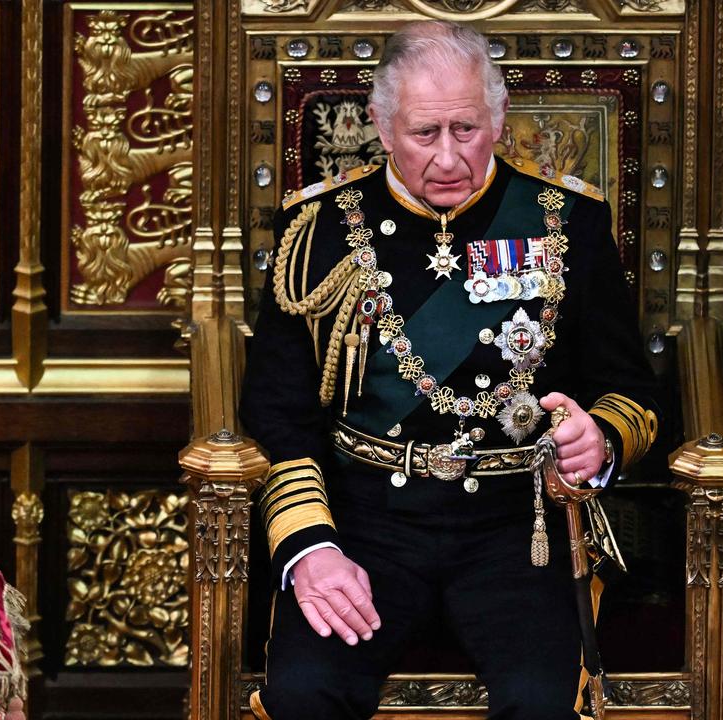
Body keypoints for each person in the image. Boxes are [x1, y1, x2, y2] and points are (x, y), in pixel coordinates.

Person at [239, 19, 660, 720]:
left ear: (497, 120)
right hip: (365, 521)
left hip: (516, 526)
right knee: (303, 692)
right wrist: (311, 546)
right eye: (422, 134)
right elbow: (279, 409)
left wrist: (601, 440)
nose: (445, 158)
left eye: (465, 130)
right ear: (380, 125)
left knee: (542, 702)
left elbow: (632, 391)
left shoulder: (567, 223)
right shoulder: (316, 231)